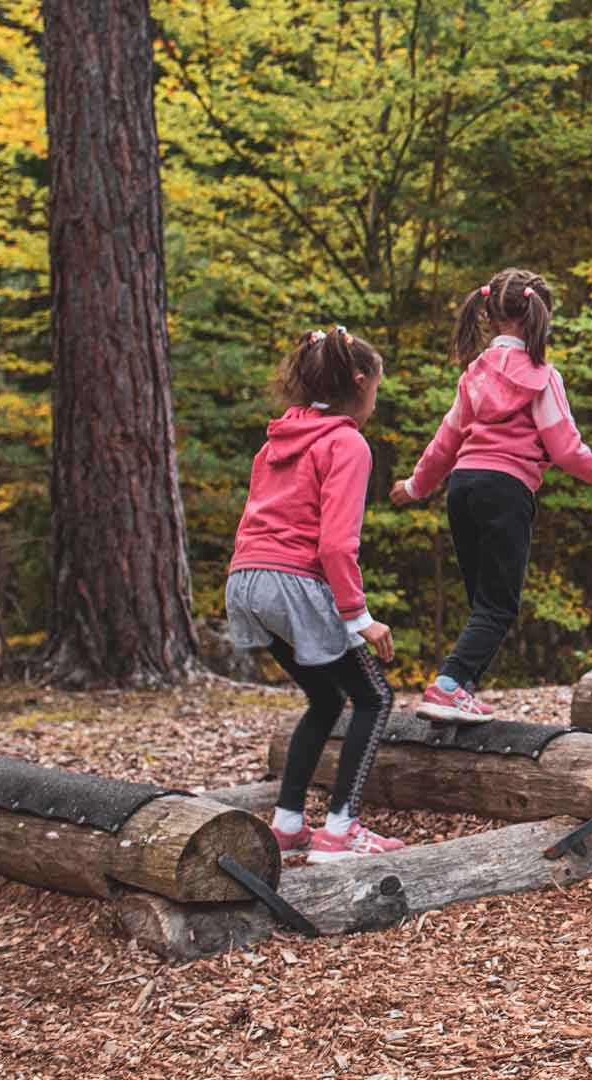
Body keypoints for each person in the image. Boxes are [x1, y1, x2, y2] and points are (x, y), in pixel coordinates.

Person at [391, 267, 592, 722]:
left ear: (488, 317)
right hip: (505, 490)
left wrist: (415, 486)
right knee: (498, 606)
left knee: (483, 603)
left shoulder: (474, 375)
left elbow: (445, 442)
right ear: (539, 317)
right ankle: (449, 685)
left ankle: (461, 690)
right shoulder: (541, 377)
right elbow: (566, 449)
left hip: (462, 488)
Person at [226, 326, 406, 862]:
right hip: (293, 583)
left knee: (326, 697)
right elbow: (335, 544)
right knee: (374, 697)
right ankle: (341, 829)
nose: (376, 399)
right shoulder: (347, 443)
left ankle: (286, 824)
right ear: (360, 382)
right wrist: (359, 617)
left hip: (247, 580)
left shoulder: (276, 440)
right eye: (377, 387)